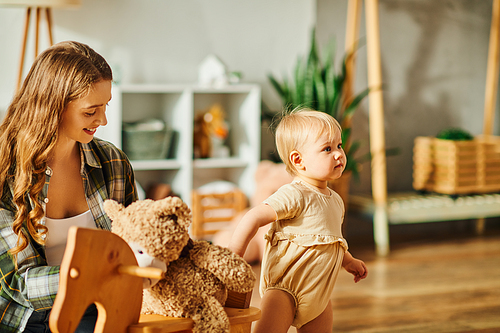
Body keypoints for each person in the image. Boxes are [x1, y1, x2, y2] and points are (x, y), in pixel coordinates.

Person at [0, 41, 138, 332]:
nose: (103, 120)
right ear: (53, 107)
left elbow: (136, 240)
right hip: (25, 317)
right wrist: (89, 273)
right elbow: (17, 282)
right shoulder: (5, 170)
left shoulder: (112, 162)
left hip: (98, 303)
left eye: (106, 106)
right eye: (91, 111)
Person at [229, 108, 368, 333]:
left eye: (339, 146)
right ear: (298, 160)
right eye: (327, 148)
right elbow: (253, 216)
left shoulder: (336, 201)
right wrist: (233, 255)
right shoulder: (295, 194)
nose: (338, 154)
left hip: (319, 295)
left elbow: (330, 240)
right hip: (285, 290)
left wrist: (348, 261)